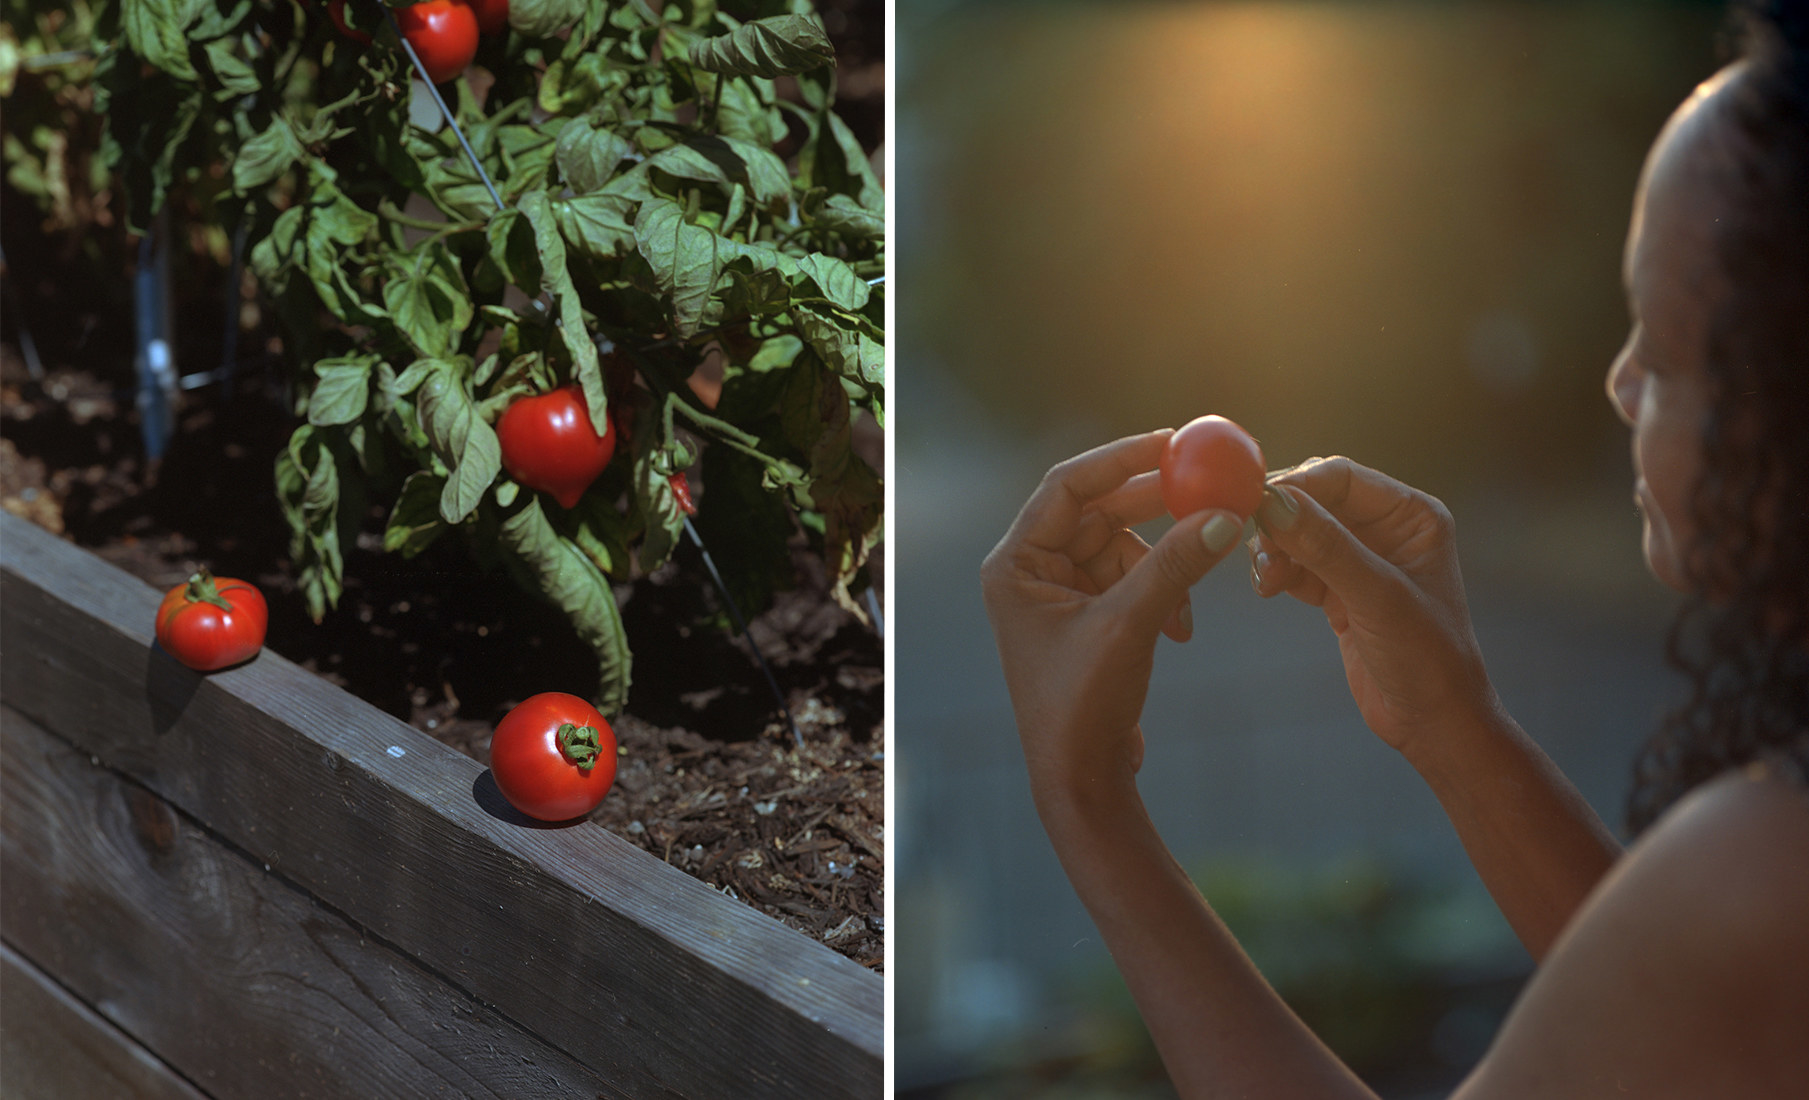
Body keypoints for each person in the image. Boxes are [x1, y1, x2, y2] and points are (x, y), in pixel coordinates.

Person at [979, 2, 1809, 1096]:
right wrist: (1450, 721)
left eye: (1660, 350)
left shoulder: (1763, 865)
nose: (1619, 382)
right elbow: (1691, 1022)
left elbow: (1706, 958)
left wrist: (1085, 798)